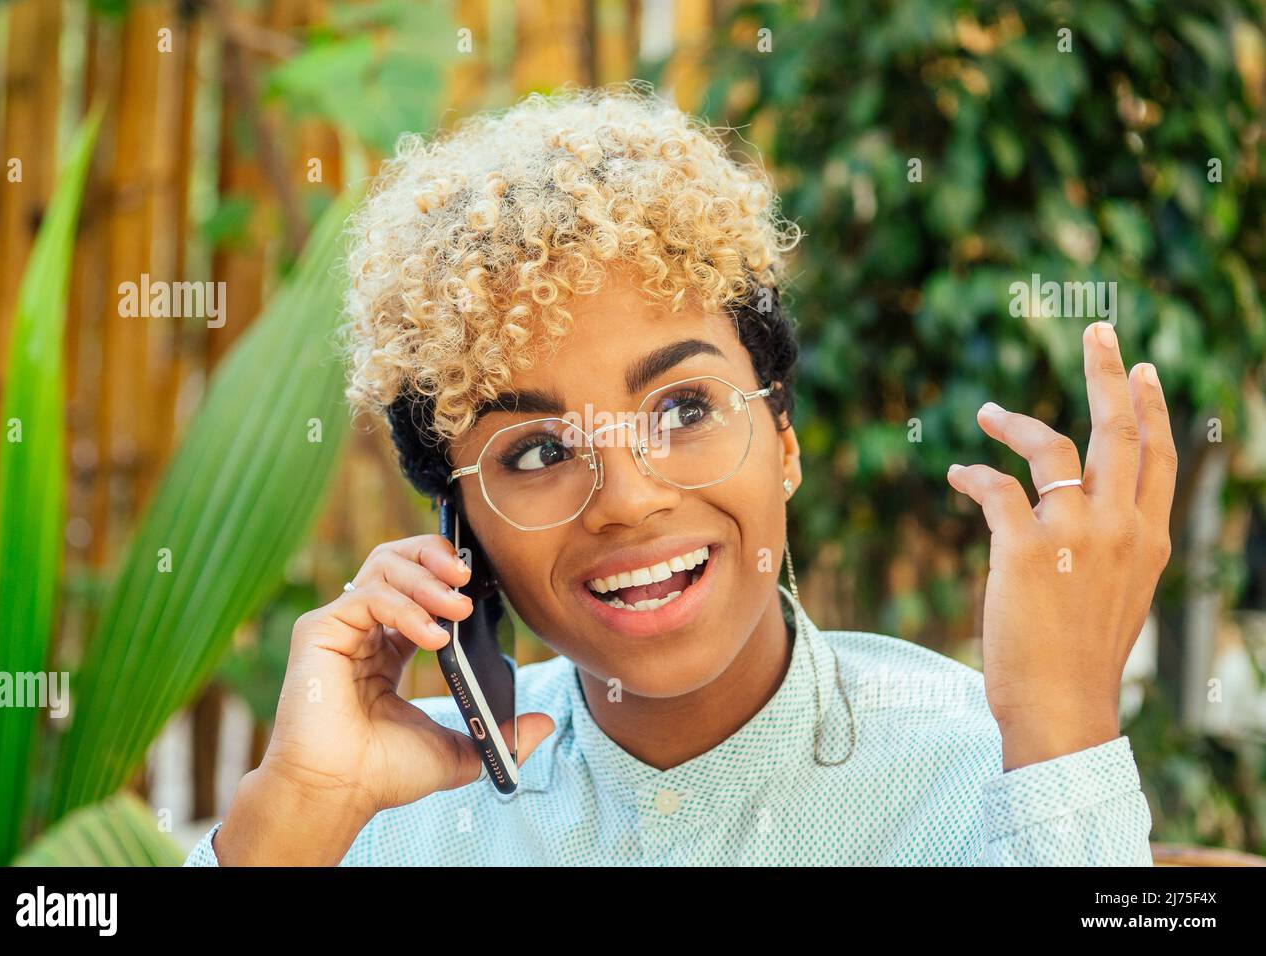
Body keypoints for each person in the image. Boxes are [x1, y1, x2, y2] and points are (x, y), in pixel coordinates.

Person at [185, 81, 1174, 866]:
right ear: (463, 532)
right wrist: (296, 818)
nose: (629, 496)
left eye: (683, 409)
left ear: (781, 439)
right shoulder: (381, 805)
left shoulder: (997, 769)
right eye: (535, 451)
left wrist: (1063, 733)